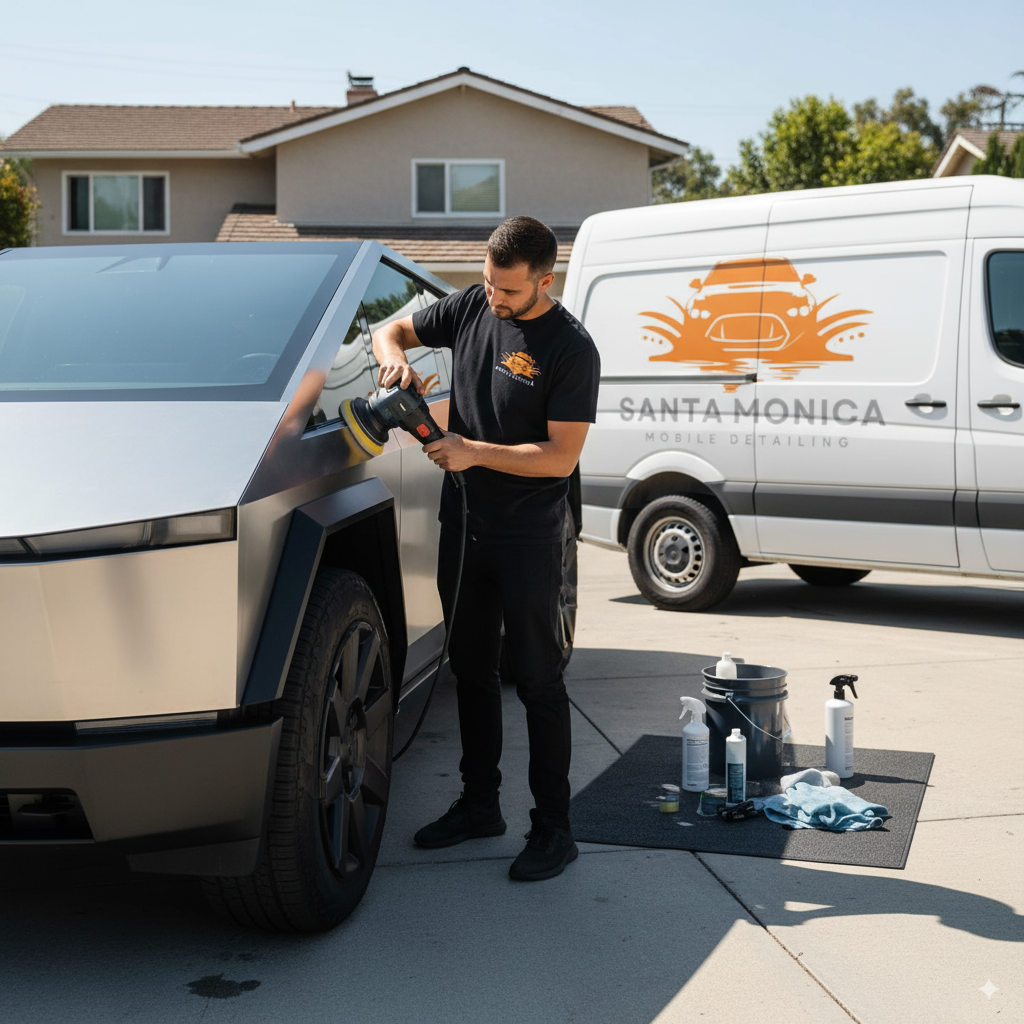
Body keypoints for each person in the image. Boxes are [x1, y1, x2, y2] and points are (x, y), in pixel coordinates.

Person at [372, 216, 600, 881]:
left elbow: (560, 458)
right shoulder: (473, 303)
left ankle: (554, 829)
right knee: (469, 671)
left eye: (507, 292)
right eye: (488, 285)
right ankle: (479, 805)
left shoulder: (570, 348)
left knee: (536, 680)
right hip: (465, 526)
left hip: (529, 537)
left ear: (544, 281)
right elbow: (393, 326)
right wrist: (395, 354)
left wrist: (473, 451)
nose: (493, 301)